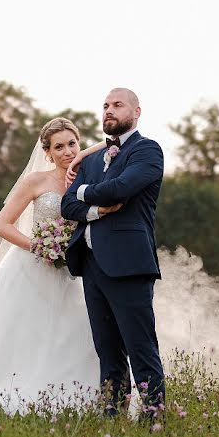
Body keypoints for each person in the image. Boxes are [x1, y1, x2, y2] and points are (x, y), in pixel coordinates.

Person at [0, 117, 114, 414]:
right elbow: (2, 225)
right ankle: (8, 389)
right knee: (24, 333)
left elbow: (113, 143)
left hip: (74, 269)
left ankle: (74, 398)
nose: (67, 151)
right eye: (59, 147)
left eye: (73, 144)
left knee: (74, 334)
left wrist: (82, 157)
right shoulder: (35, 181)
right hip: (31, 266)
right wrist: (40, 247)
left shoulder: (87, 178)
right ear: (48, 152)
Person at [61, 88, 166, 419]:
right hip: (92, 265)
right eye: (105, 105)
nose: (109, 110)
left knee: (140, 346)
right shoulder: (92, 159)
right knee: (107, 349)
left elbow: (120, 189)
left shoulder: (147, 151)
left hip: (129, 265)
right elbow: (68, 205)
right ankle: (112, 414)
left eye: (117, 105)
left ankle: (153, 417)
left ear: (136, 112)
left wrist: (81, 191)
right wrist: (94, 209)